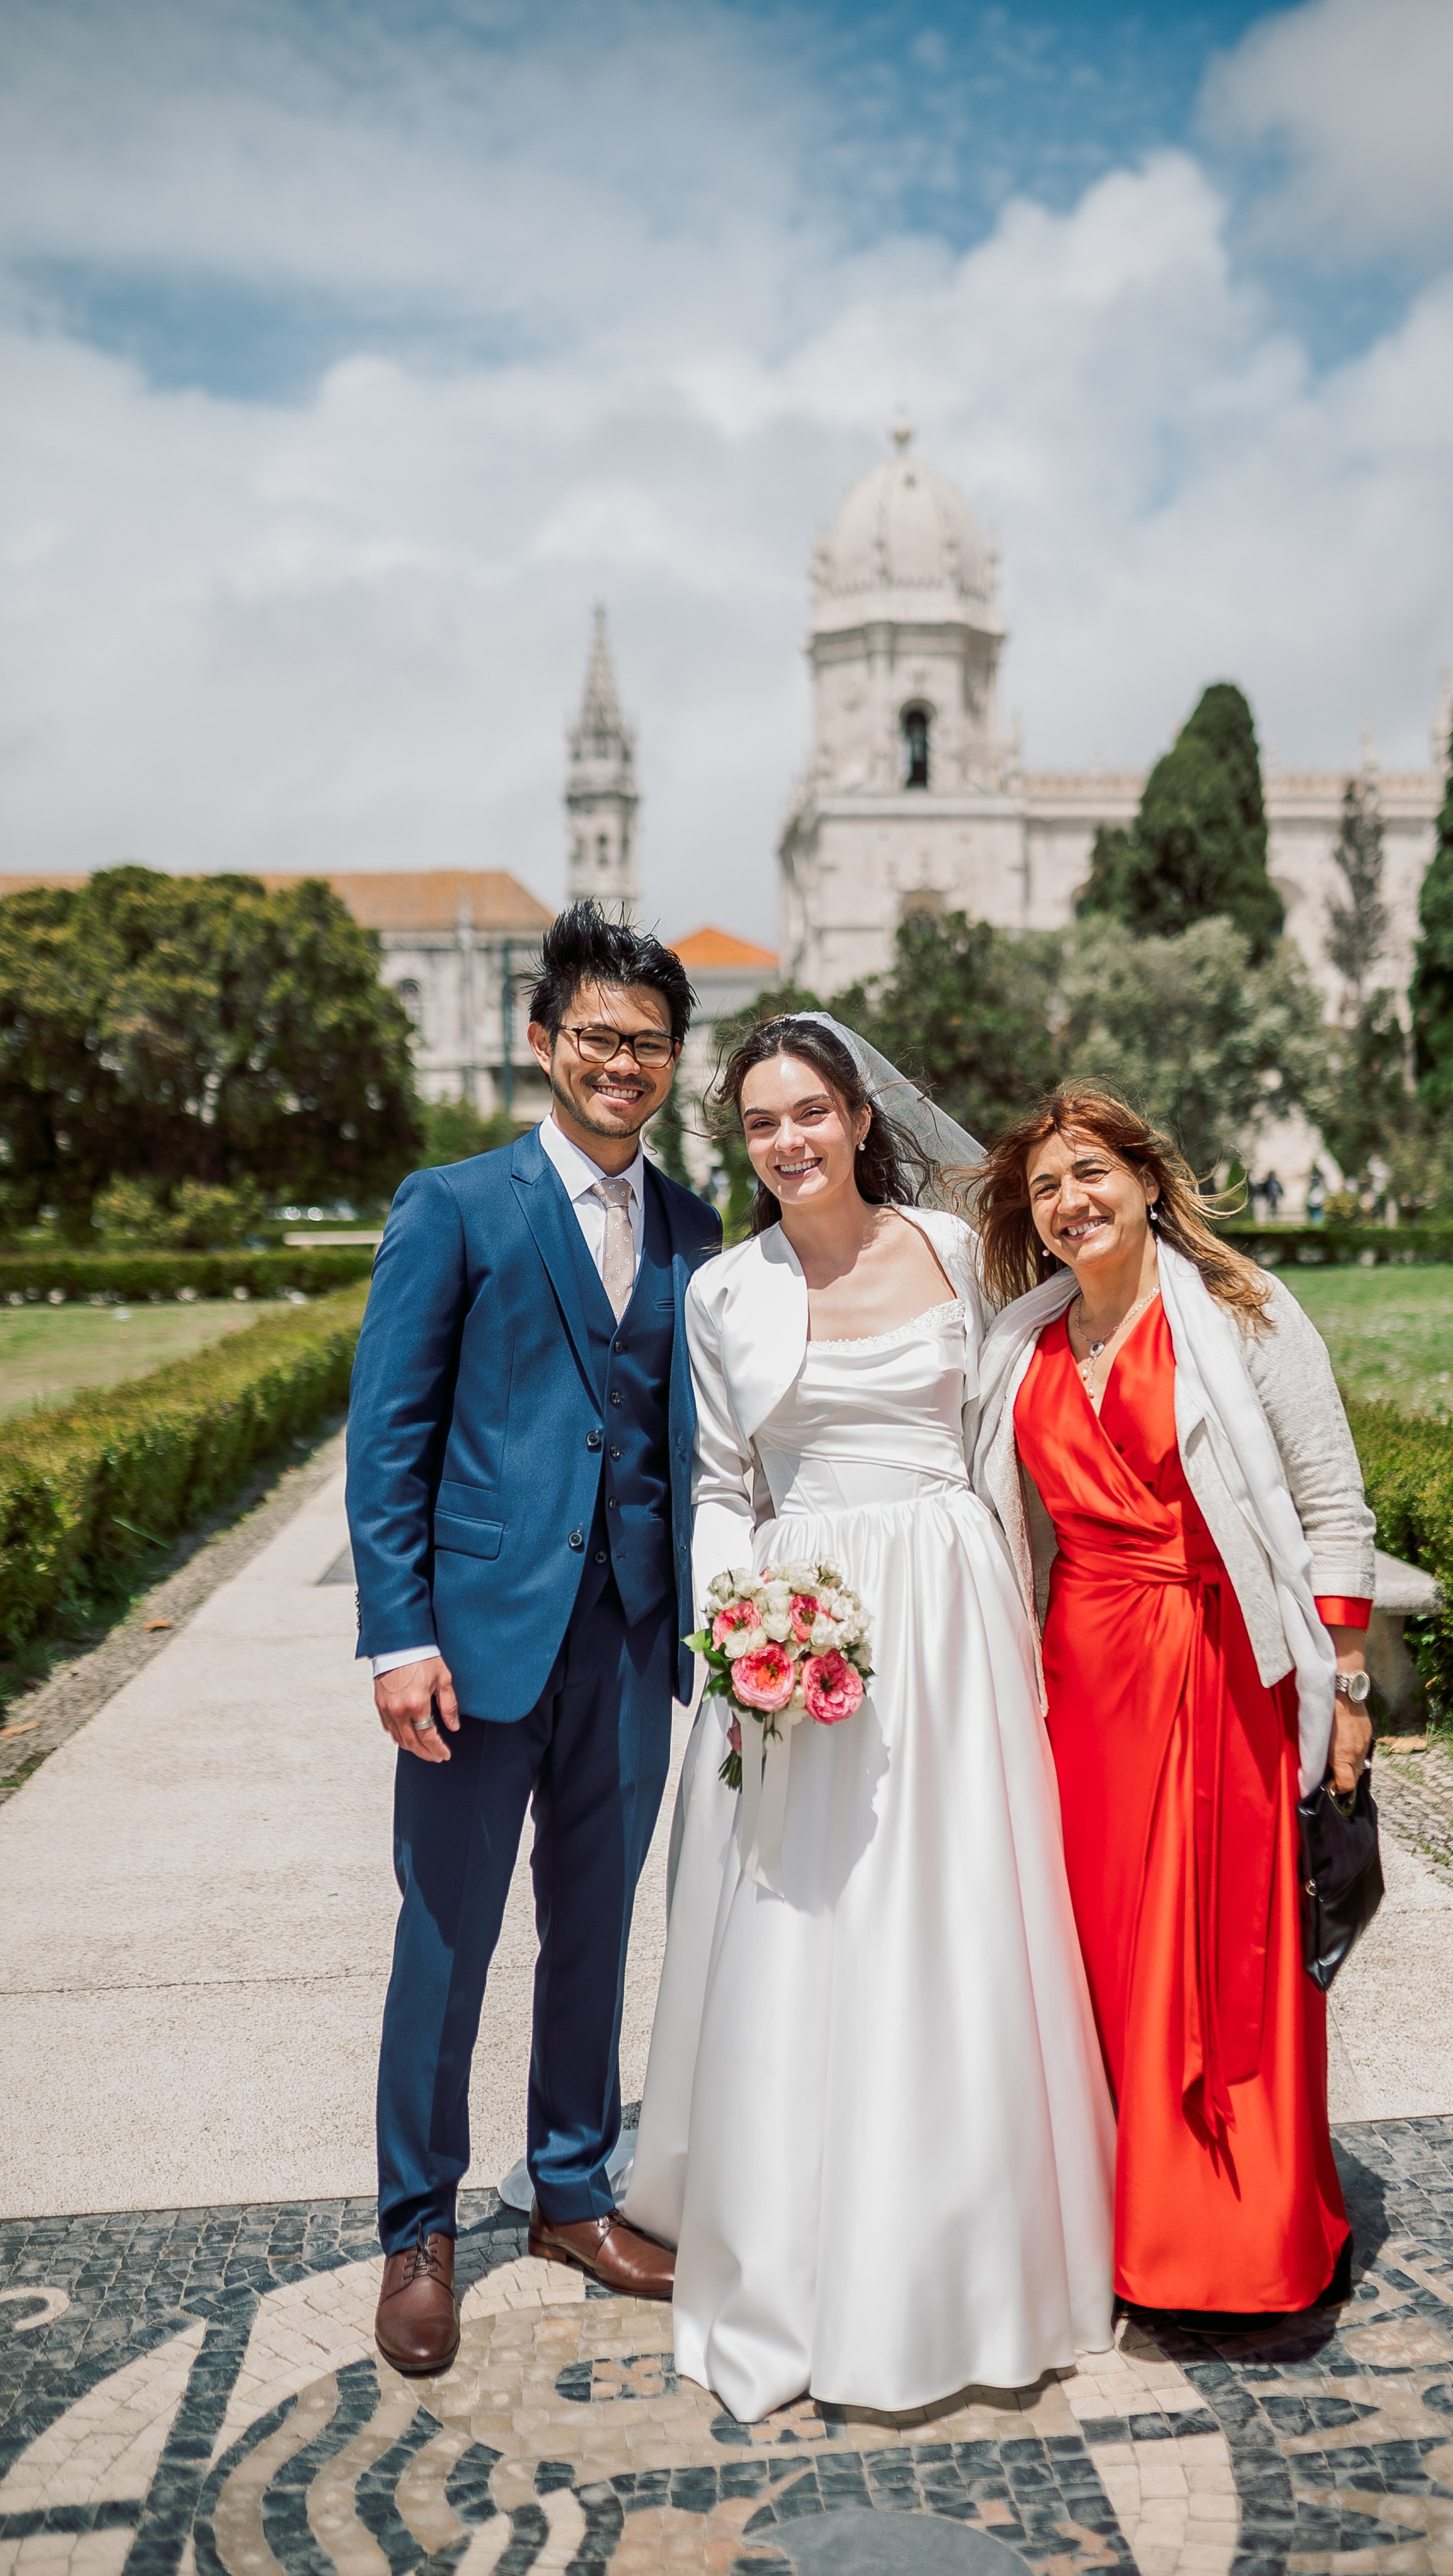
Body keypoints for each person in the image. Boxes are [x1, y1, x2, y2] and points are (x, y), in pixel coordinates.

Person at [624, 1016, 1114, 2423]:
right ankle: (796, 2246)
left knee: (956, 1910)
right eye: (762, 1121)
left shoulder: (957, 1252)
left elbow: (1004, 1432)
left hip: (951, 1612)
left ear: (855, 1115)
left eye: (810, 1112)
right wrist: (743, 1631)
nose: (789, 1141)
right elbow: (721, 1489)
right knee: (810, 1921)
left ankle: (974, 2241)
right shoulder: (724, 1293)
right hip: (804, 1614)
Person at [346, 903, 723, 2377]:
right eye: (597, 1037)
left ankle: (568, 2188)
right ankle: (418, 2227)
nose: (621, 1064)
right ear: (541, 1039)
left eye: (647, 1043)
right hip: (474, 1641)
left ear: (671, 1061)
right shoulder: (453, 1203)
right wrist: (396, 1637)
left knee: (596, 1931)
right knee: (446, 1938)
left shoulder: (694, 1227)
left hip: (631, 1641)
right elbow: (389, 1440)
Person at [970, 1085, 1375, 2322]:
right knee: (1100, 1963)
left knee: (1226, 1963)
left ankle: (1241, 2248)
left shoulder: (1243, 1314)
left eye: (1091, 1172)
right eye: (1045, 1188)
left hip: (1225, 1673)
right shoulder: (1017, 1348)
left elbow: (1333, 1506)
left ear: (1149, 1181)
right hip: (1082, 1689)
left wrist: (1346, 1684)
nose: (1070, 1202)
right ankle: (1117, 2231)